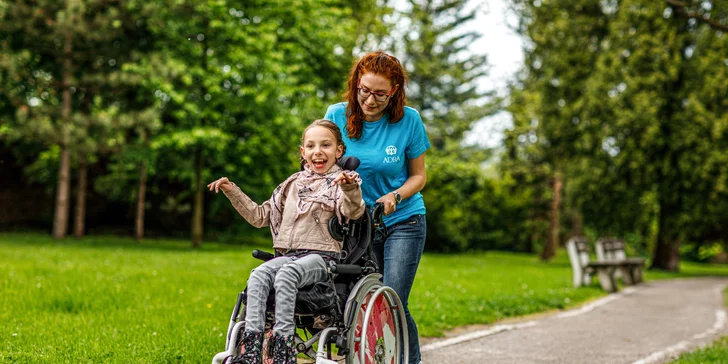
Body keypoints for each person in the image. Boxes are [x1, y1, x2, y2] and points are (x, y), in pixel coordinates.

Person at [208, 119, 365, 364]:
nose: (318, 151)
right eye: (311, 146)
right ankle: (251, 350)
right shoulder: (291, 185)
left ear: (339, 151)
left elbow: (353, 212)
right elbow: (260, 216)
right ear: (303, 152)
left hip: (322, 257)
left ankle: (283, 349)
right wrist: (231, 190)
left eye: (325, 145)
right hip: (289, 255)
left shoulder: (343, 181)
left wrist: (349, 188)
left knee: (287, 274)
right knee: (258, 274)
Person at [323, 50, 430, 364]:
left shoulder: (408, 120)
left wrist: (394, 197)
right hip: (357, 224)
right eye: (364, 91)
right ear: (356, 84)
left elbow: (419, 176)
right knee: (358, 302)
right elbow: (322, 165)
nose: (370, 100)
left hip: (402, 222)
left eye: (380, 94)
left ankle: (410, 361)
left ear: (394, 91)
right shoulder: (337, 115)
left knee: (392, 300)